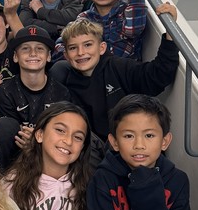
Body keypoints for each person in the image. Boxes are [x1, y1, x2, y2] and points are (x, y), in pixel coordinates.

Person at [58, 8, 179, 141]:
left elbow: (158, 75)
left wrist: (170, 32)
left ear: (102, 48)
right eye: (73, 48)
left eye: (87, 45)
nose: (81, 52)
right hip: (92, 149)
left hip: (128, 144)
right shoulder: (65, 82)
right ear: (66, 55)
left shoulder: (119, 67)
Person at [0, 25, 71, 171]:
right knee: (6, 126)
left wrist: (38, 140)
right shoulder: (5, 90)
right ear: (15, 56)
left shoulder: (61, 92)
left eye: (40, 48)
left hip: (47, 154)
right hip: (15, 155)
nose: (33, 53)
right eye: (25, 48)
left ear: (49, 56)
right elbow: (10, 133)